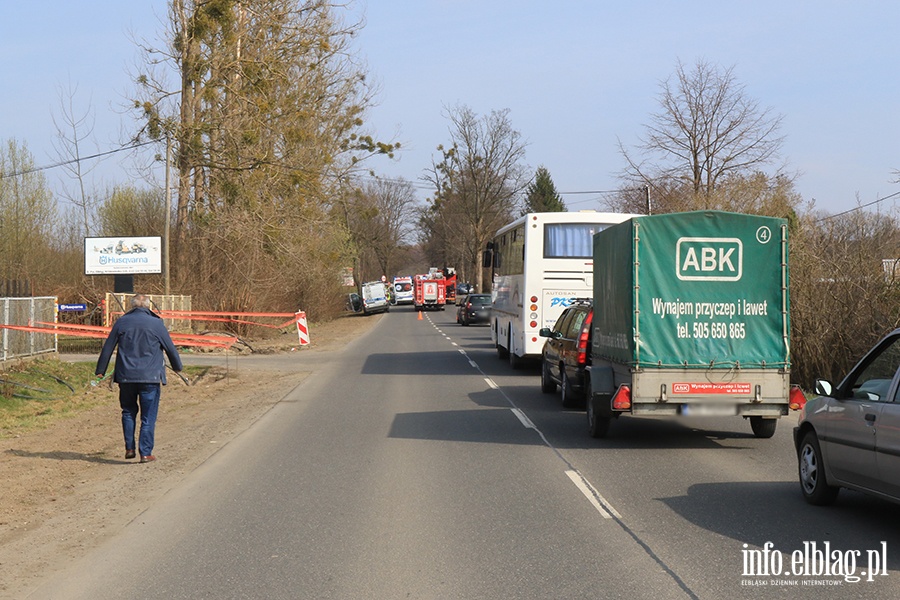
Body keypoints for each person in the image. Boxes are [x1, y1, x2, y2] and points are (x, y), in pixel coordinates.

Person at [95, 294, 183, 463]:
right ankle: (145, 452)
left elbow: (108, 347)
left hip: (126, 377)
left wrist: (101, 370)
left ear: (132, 306)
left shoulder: (121, 322)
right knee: (148, 416)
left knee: (128, 411)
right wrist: (177, 366)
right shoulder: (157, 324)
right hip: (150, 377)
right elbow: (170, 349)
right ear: (148, 306)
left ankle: (129, 448)